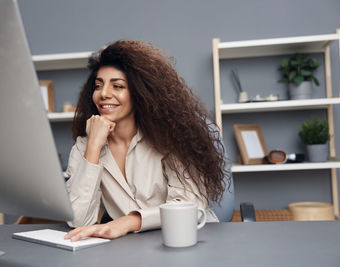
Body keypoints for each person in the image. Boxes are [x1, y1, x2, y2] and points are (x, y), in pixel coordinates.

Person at [64, 40, 231, 241]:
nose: (104, 94)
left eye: (117, 86)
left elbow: (189, 206)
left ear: (140, 92)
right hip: (132, 249)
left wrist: (127, 222)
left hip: (188, 239)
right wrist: (93, 147)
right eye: (98, 86)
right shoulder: (84, 146)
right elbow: (78, 221)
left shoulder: (171, 136)